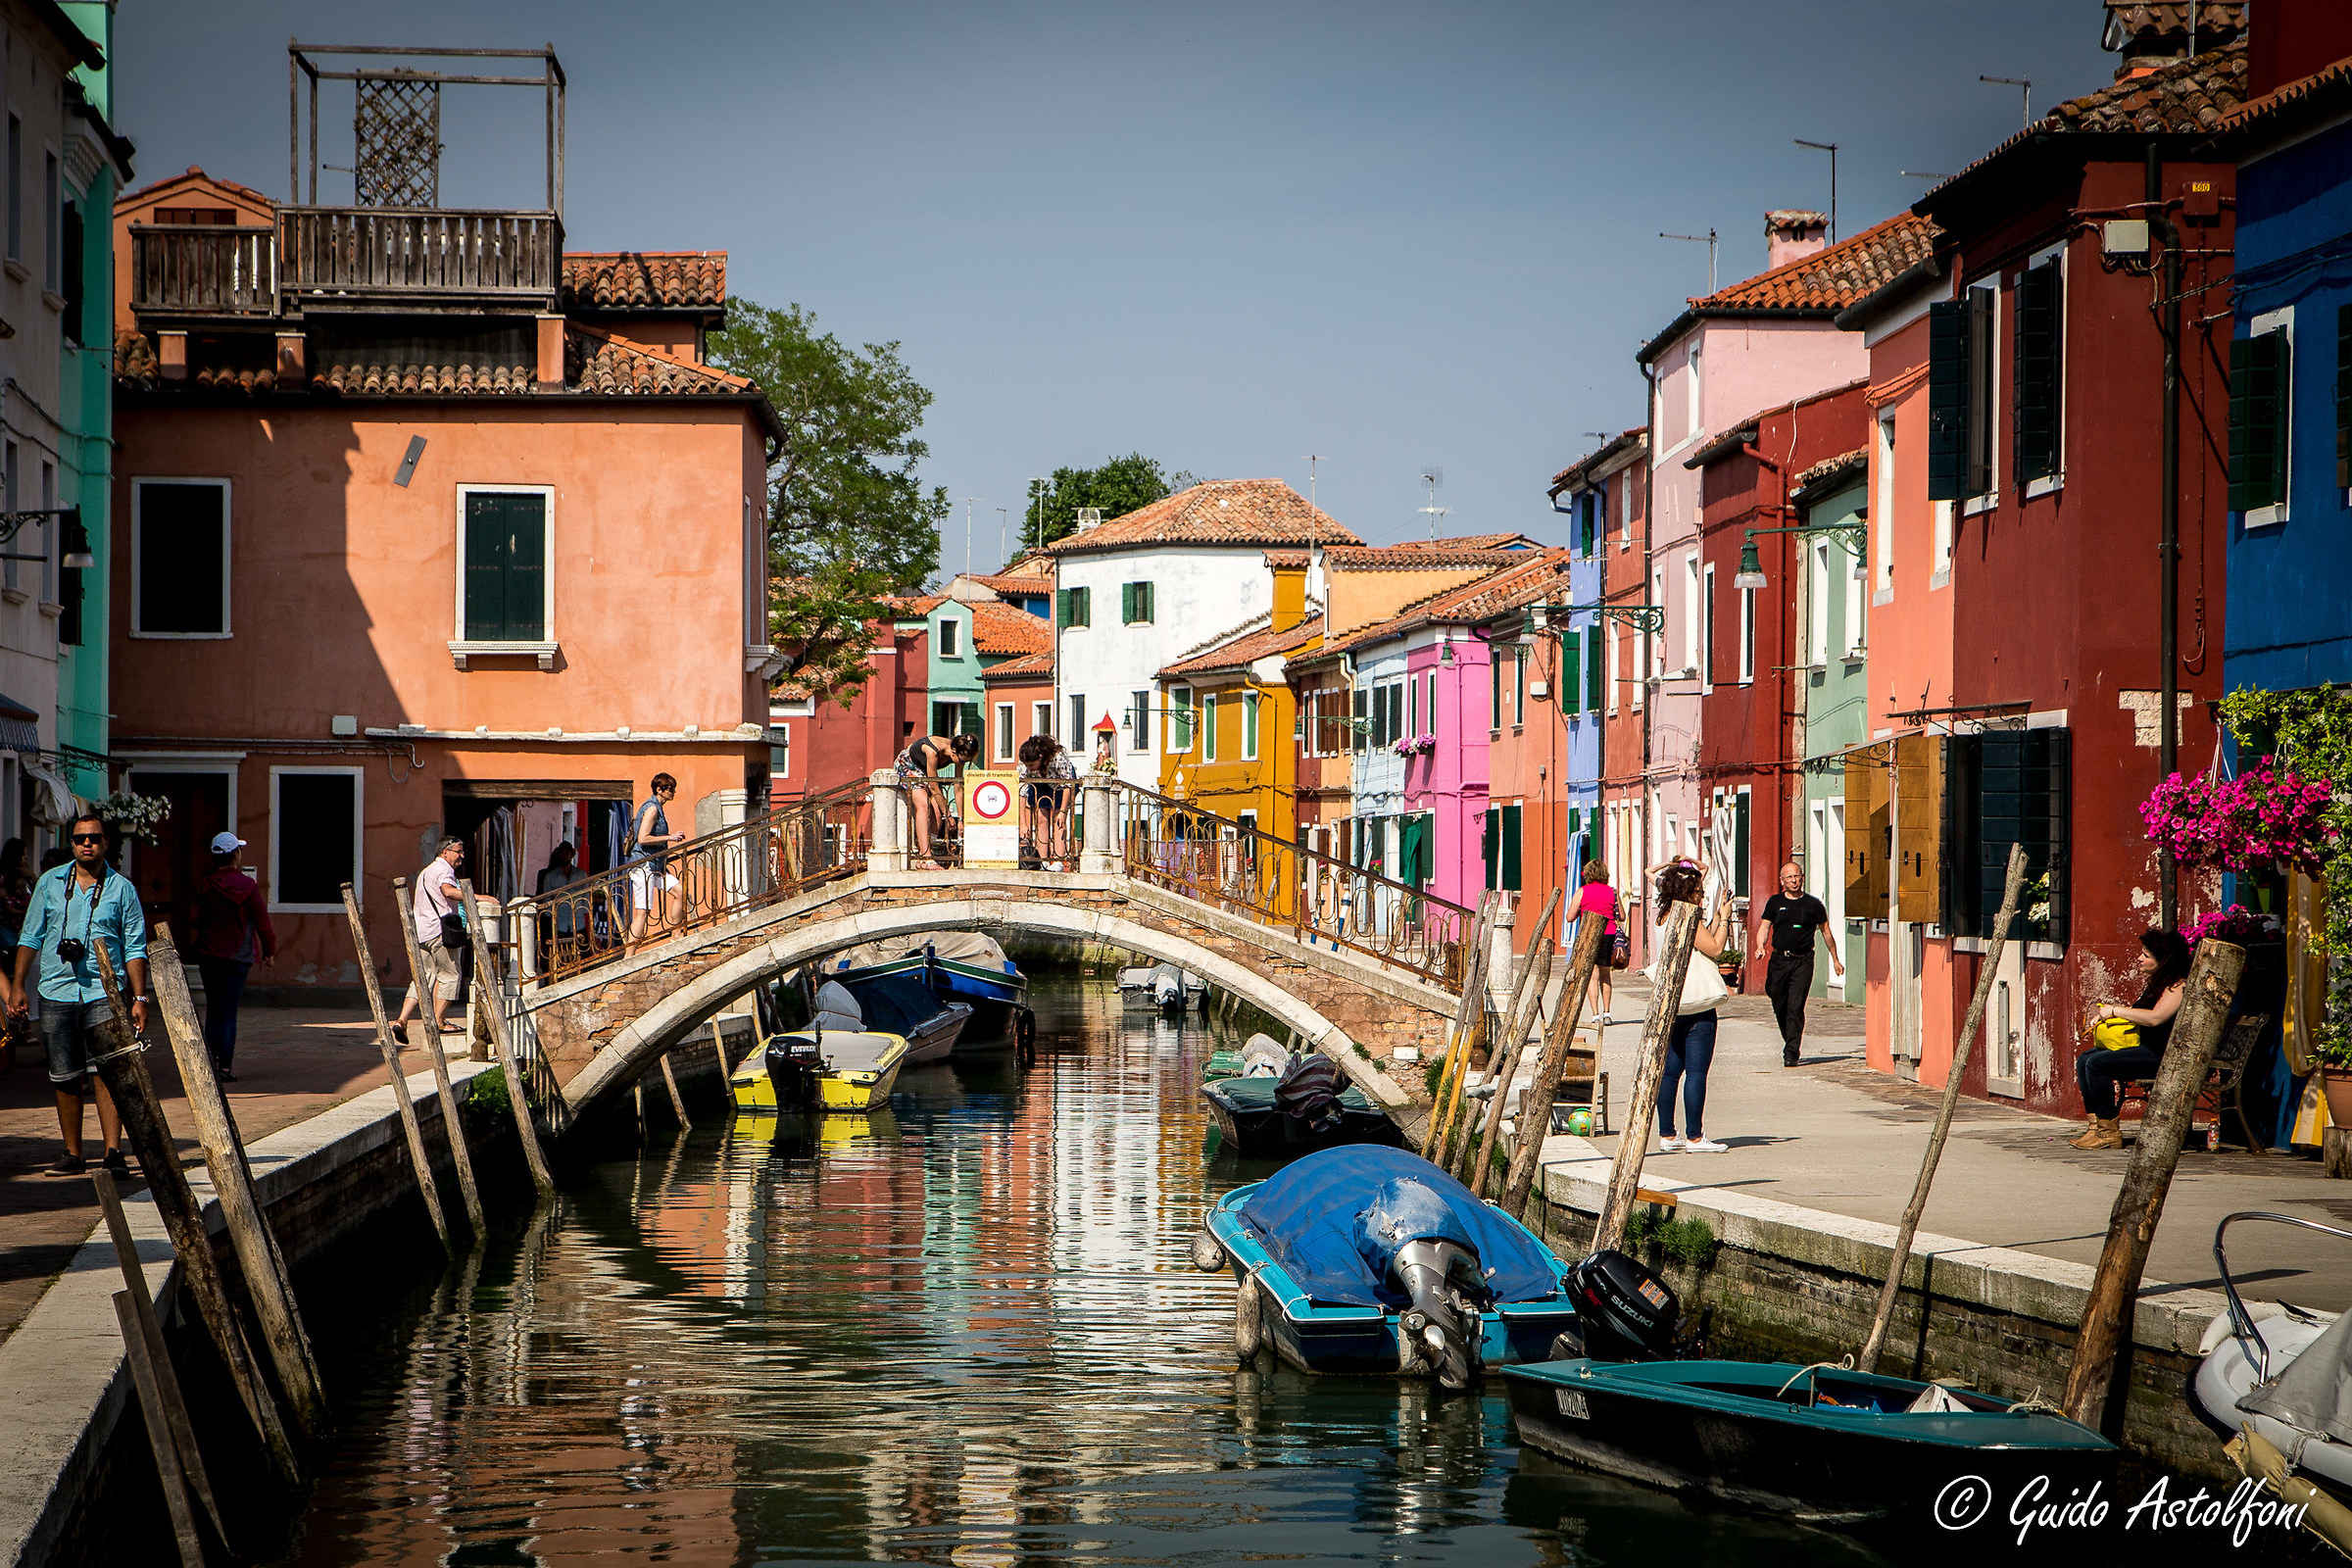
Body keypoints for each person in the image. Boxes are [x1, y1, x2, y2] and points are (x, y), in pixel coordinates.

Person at [12, 813, 150, 1177]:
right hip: (56, 990)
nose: (86, 844)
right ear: (71, 844)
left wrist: (140, 998)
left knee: (109, 1070)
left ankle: (113, 1152)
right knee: (64, 1075)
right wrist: (16, 987)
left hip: (105, 992)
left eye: (94, 838)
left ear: (105, 843)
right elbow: (30, 937)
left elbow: (135, 947)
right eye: (79, 839)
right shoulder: (50, 884)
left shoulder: (122, 889)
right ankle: (72, 1153)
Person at [2070, 928, 2192, 1151]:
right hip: (2144, 1048)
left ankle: (2109, 1133)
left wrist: (2115, 1010)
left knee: (2097, 1064)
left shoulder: (2178, 986)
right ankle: (2096, 1126)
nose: (2140, 959)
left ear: (2164, 960)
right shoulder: (2158, 983)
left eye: (2146, 955)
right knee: (2085, 1058)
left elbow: (2155, 1018)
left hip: (2159, 1055)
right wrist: (2105, 1016)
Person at [1649, 858, 1734, 1154]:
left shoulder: (1663, 915)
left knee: (1670, 1071)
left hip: (1672, 1002)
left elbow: (1700, 941)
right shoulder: (1686, 917)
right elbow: (1714, 947)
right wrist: (1724, 918)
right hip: (1696, 1003)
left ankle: (1667, 1134)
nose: (1703, 896)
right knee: (1696, 1071)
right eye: (1699, 891)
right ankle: (1695, 1137)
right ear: (1689, 893)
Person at [185, 831, 275, 1081]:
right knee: (228, 1012)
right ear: (234, 854)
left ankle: (211, 1064)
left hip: (209, 954)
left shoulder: (203, 884)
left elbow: (193, 918)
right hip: (238, 956)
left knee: (213, 1009)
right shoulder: (248, 886)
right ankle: (225, 1066)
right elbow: (262, 921)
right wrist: (269, 951)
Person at [1755, 861, 1844, 1067]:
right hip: (1779, 960)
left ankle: (1791, 1052)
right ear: (1782, 881)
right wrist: (1760, 945)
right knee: (1777, 999)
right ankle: (1790, 1038)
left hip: (1803, 960)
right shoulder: (1774, 902)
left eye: (1797, 876)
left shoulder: (1813, 905)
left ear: (1802, 877)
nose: (1794, 880)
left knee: (1795, 1006)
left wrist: (1835, 959)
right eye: (1789, 878)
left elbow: (1826, 932)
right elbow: (1764, 926)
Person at [393, 838, 467, 1045]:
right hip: (439, 932)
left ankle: (402, 1020)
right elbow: (447, 891)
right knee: (450, 975)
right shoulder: (444, 870)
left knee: (423, 978)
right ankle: (439, 1022)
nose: (462, 856)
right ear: (445, 852)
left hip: (422, 933)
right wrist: (475, 896)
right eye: (458, 852)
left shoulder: (425, 872)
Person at [896, 733, 978, 866]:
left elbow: (958, 787)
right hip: (908, 766)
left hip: (926, 772)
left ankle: (924, 851)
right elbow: (934, 787)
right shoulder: (932, 751)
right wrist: (948, 814)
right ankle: (926, 857)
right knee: (924, 805)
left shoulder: (960, 751)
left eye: (967, 761)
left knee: (938, 814)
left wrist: (961, 819)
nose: (963, 764)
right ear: (953, 752)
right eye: (962, 761)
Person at [626, 774, 688, 950]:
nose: (673, 792)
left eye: (673, 788)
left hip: (656, 865)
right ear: (659, 790)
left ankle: (676, 935)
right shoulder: (652, 808)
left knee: (680, 892)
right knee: (642, 913)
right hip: (644, 865)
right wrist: (670, 837)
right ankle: (628, 956)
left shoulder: (657, 808)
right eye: (670, 789)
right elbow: (643, 838)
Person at [1573, 859, 1622, 1024]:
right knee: (1606, 974)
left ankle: (1595, 1015)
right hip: (1608, 934)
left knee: (1592, 975)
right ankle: (1607, 1013)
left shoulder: (1582, 891)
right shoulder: (1612, 892)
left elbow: (1569, 917)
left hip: (1589, 935)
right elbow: (1621, 916)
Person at [1017, 733, 1077, 866]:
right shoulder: (1025, 762)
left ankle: (1058, 861)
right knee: (1040, 818)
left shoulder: (1058, 758)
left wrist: (1062, 811)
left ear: (1040, 757)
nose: (1029, 767)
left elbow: (1067, 784)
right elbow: (1022, 789)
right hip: (1040, 782)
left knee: (1058, 821)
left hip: (1062, 784)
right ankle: (1043, 861)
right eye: (1027, 765)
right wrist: (1022, 821)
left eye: (1032, 764)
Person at [536, 840, 588, 971]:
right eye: (562, 853)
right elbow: (547, 901)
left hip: (579, 922)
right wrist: (551, 916)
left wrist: (581, 912)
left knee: (583, 955)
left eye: (567, 853)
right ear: (558, 855)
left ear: (572, 855)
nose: (565, 856)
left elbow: (586, 898)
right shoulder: (550, 877)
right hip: (559, 923)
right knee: (560, 957)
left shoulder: (581, 875)